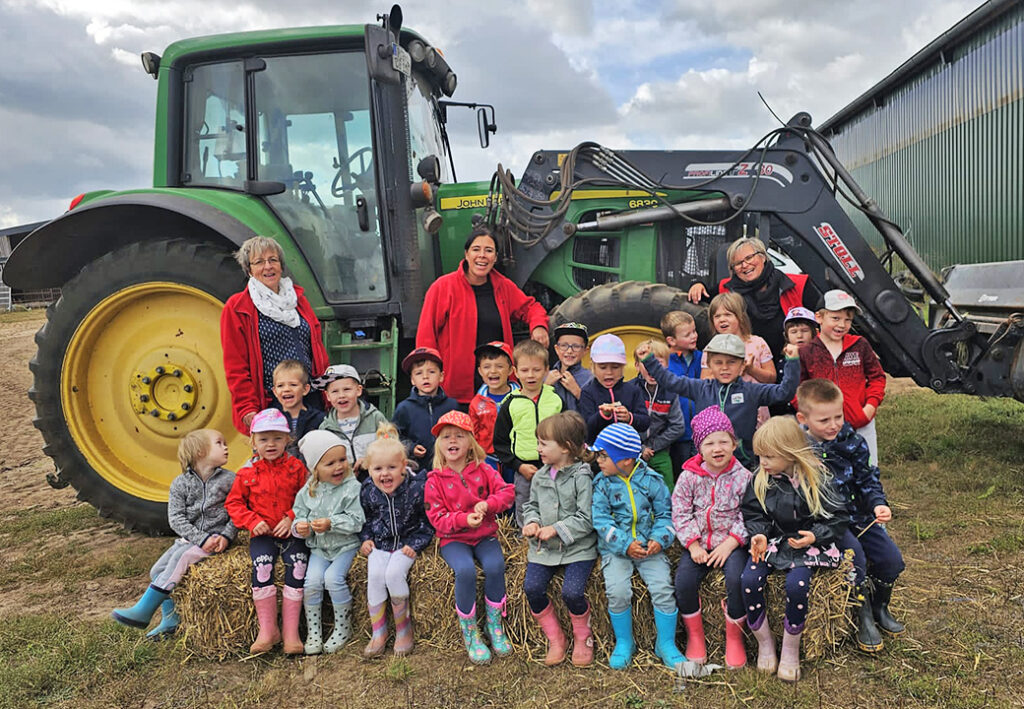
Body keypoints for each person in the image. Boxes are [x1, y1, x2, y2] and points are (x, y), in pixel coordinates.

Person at [796, 379, 905, 653]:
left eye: (838, 416)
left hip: (860, 516)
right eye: (824, 420)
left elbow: (868, 479)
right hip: (829, 523)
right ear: (803, 418)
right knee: (854, 557)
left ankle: (880, 605)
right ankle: (862, 613)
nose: (833, 425)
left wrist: (878, 504)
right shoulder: (799, 450)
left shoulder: (853, 442)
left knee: (891, 560)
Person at [741, 416, 849, 682]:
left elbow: (838, 518)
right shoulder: (760, 479)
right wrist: (759, 536)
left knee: (797, 585)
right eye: (759, 456)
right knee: (749, 579)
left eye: (768, 456)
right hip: (775, 541)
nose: (762, 462)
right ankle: (765, 644)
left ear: (790, 454)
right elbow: (754, 514)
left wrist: (815, 535)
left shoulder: (817, 478)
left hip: (805, 543)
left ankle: (790, 648)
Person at [111, 429, 235, 637]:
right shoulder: (180, 484)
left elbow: (238, 512)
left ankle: (144, 610)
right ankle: (171, 620)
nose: (226, 446)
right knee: (157, 571)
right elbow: (176, 519)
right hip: (193, 540)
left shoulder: (230, 480)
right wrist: (199, 538)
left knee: (183, 557)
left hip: (217, 540)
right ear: (200, 452)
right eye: (219, 443)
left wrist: (226, 536)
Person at [416, 225, 549, 404]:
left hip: (498, 390)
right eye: (476, 249)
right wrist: (429, 377)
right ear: (466, 254)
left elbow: (531, 308)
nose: (482, 255)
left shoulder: (503, 286)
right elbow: (426, 336)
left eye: (489, 250)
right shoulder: (443, 287)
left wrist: (539, 326)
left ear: (495, 258)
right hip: (457, 392)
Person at [590, 423, 685, 670]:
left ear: (624, 459)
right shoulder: (601, 484)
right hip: (616, 550)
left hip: (649, 548)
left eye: (603, 455)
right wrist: (624, 545)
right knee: (617, 590)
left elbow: (666, 514)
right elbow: (600, 520)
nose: (598, 460)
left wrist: (659, 539)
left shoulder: (653, 481)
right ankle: (624, 642)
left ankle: (666, 644)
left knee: (663, 588)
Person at [423, 410, 515, 664]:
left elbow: (507, 492)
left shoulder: (484, 470)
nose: (452, 441)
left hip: (484, 535)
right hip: (453, 539)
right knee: (465, 571)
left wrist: (489, 504)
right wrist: (463, 519)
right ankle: (470, 632)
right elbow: (436, 517)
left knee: (496, 566)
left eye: (459, 436)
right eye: (446, 437)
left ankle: (494, 627)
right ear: (439, 445)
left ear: (470, 443)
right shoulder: (434, 481)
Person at [640, 334, 800, 470]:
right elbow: (671, 381)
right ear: (709, 364)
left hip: (743, 464)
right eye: (718, 362)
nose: (725, 368)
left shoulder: (752, 391)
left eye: (731, 362)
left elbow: (784, 392)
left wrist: (792, 362)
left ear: (742, 365)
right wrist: (649, 361)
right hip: (706, 464)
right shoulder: (700, 388)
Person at [671, 407, 753, 669]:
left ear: (734, 443)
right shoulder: (688, 477)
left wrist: (732, 542)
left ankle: (734, 638)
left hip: (732, 543)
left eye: (723, 441)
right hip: (700, 543)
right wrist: (693, 545)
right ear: (699, 448)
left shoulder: (744, 477)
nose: (717, 448)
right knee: (683, 581)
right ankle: (695, 636)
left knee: (736, 579)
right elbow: (680, 512)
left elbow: (750, 513)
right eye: (709, 443)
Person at [221, 235, 329, 433]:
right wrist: (247, 408)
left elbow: (317, 350)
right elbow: (235, 366)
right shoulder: (237, 308)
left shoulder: (299, 300)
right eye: (259, 262)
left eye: (273, 260)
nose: (268, 267)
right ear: (249, 269)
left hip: (309, 397)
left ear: (281, 265)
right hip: (274, 403)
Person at [224, 409, 310, 654]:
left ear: (287, 439)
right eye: (263, 439)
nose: (270, 444)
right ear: (253, 442)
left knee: (298, 565)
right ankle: (268, 629)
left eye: (277, 438)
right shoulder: (246, 473)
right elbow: (234, 503)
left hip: (291, 533)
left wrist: (291, 517)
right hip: (263, 535)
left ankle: (291, 633)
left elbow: (308, 498)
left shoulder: (296, 468)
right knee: (262, 568)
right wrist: (251, 521)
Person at [522, 412, 598, 667]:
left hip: (578, 548)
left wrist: (556, 529)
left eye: (544, 443)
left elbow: (586, 518)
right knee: (532, 588)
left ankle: (582, 636)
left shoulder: (582, 476)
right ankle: (556, 639)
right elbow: (530, 504)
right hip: (544, 550)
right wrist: (531, 522)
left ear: (566, 447)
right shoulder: (541, 476)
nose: (538, 448)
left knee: (572, 592)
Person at [687, 236, 818, 376]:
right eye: (737, 263)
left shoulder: (798, 285)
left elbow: (820, 319)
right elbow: (703, 294)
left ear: (763, 257)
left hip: (793, 365)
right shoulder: (727, 289)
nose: (744, 265)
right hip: (746, 371)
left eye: (749, 258)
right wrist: (697, 285)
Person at [359, 428, 434, 657]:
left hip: (405, 544)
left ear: (404, 465)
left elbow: (428, 521)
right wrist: (366, 539)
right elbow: (366, 520)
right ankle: (378, 632)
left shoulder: (416, 488)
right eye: (378, 469)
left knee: (393, 575)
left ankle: (404, 630)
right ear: (369, 469)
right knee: (375, 576)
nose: (385, 474)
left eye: (392, 467)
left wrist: (416, 543)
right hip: (380, 544)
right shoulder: (369, 491)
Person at [290, 430, 365, 655]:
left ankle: (343, 627)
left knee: (333, 578)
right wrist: (300, 527)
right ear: (315, 469)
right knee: (311, 581)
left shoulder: (352, 488)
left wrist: (332, 523)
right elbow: (298, 515)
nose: (338, 467)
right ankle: (315, 631)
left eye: (342, 460)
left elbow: (357, 520)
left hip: (345, 546)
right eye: (330, 463)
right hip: (320, 549)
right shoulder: (307, 492)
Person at [799, 290, 886, 464]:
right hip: (821, 429)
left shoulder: (859, 345)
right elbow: (798, 388)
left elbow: (877, 377)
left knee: (867, 470)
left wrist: (869, 408)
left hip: (861, 425)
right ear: (819, 317)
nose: (842, 325)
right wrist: (812, 417)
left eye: (848, 319)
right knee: (825, 474)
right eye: (835, 318)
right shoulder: (806, 351)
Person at [493, 340, 565, 526]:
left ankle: (553, 535)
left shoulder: (555, 399)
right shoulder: (510, 403)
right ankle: (526, 540)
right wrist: (518, 466)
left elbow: (567, 433)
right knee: (525, 504)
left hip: (555, 466)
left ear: (546, 370)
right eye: (524, 370)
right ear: (515, 372)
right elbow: (500, 442)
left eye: (536, 370)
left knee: (555, 502)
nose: (530, 375)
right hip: (525, 469)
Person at [392, 347, 459, 472]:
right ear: (412, 380)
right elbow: (394, 436)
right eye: (418, 373)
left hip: (449, 468)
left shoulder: (452, 406)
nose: (425, 377)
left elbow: (463, 436)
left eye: (431, 372)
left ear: (441, 376)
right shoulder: (404, 408)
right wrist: (411, 448)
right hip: (417, 471)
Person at [314, 364, 388, 476]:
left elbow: (391, 449)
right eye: (335, 391)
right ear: (327, 396)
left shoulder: (375, 418)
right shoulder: (325, 429)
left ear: (358, 390)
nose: (341, 395)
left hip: (376, 480)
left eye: (347, 389)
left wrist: (369, 460)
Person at [631, 340, 686, 488]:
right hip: (632, 449)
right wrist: (641, 448)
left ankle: (669, 509)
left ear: (666, 366)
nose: (651, 368)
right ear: (636, 365)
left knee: (667, 486)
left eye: (657, 363)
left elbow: (678, 426)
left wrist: (653, 446)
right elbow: (621, 424)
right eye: (645, 363)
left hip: (658, 451)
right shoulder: (630, 390)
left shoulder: (670, 392)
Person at [578, 334, 650, 442]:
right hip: (599, 452)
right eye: (602, 367)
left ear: (623, 367)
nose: (609, 372)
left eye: (615, 367)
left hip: (627, 450)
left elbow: (645, 422)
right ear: (592, 366)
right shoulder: (587, 392)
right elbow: (587, 429)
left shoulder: (633, 390)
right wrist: (603, 415)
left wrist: (630, 418)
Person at [468, 341, 519, 477]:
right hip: (488, 458)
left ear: (510, 370)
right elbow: (473, 434)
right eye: (487, 367)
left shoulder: (520, 398)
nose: (493, 371)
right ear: (480, 371)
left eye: (499, 366)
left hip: (514, 457)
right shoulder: (476, 402)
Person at [661, 310, 702, 475]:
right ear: (671, 340)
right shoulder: (666, 363)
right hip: (679, 434)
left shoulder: (701, 358)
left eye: (694, 331)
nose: (694, 336)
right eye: (687, 334)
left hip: (699, 431)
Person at [272, 360, 325, 457]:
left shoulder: (319, 419)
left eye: (293, 385)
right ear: (275, 392)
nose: (286, 389)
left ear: (305, 389)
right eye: (280, 386)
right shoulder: (270, 420)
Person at [545, 322, 593, 412]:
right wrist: (545, 387)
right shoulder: (545, 377)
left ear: (585, 351)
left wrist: (577, 392)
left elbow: (596, 410)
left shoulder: (590, 379)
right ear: (557, 349)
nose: (570, 351)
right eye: (564, 346)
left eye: (576, 346)